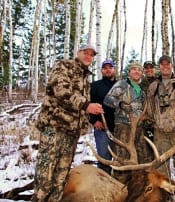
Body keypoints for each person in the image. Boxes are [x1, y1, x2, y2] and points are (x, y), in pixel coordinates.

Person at [32, 44, 104, 202]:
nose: (88, 57)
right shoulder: (64, 66)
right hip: (55, 127)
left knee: (61, 175)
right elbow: (62, 92)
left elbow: (80, 107)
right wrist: (86, 105)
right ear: (78, 53)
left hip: (72, 132)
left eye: (92, 55)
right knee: (46, 171)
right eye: (86, 53)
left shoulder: (85, 77)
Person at [145, 55, 175, 201]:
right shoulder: (153, 86)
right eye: (162, 64)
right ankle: (164, 198)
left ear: (172, 65)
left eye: (167, 64)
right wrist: (153, 123)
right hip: (160, 134)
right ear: (159, 66)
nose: (165, 67)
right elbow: (150, 109)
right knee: (161, 171)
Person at [103, 62, 149, 183]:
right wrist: (120, 104)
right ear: (129, 72)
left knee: (140, 161)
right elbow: (107, 99)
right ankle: (118, 189)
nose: (137, 72)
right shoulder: (122, 84)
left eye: (139, 70)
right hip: (124, 127)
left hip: (139, 129)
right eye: (134, 69)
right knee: (122, 162)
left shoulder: (142, 91)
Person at [89, 59, 117, 174]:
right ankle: (103, 186)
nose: (108, 70)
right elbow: (87, 105)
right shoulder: (95, 86)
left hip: (119, 130)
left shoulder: (121, 85)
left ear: (114, 69)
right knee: (104, 160)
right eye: (105, 68)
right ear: (101, 70)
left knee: (120, 160)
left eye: (110, 67)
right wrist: (94, 121)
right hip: (102, 130)